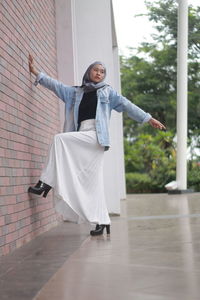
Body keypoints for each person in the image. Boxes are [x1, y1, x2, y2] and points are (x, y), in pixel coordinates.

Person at [28, 54, 166, 236]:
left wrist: (149, 119)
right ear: (89, 72)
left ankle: (45, 183)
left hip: (96, 137)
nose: (99, 73)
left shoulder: (108, 92)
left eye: (102, 71)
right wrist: (35, 72)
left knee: (59, 139)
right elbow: (56, 86)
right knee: (93, 183)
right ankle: (103, 221)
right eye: (96, 70)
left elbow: (127, 105)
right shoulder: (76, 93)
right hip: (82, 134)